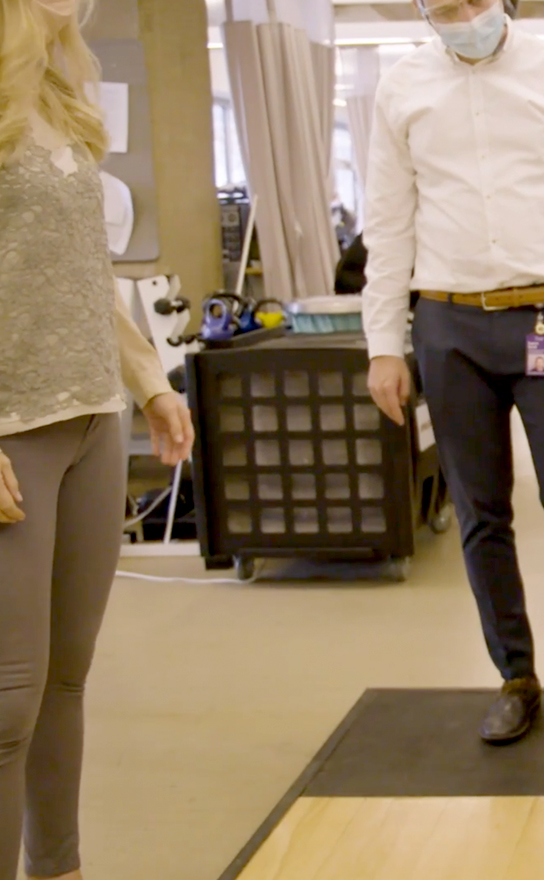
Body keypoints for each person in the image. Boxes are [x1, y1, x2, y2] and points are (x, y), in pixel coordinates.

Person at [361, 0, 544, 752]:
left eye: (473, 2)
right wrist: (383, 343)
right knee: (480, 513)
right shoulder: (402, 88)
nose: (462, 15)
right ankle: (515, 678)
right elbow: (387, 219)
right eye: (444, 6)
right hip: (447, 325)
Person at [0, 1, 196, 878]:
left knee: (66, 682)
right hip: (12, 433)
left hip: (91, 422)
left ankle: (62, 869)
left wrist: (149, 383)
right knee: (8, 702)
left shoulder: (61, 100)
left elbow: (90, 277)